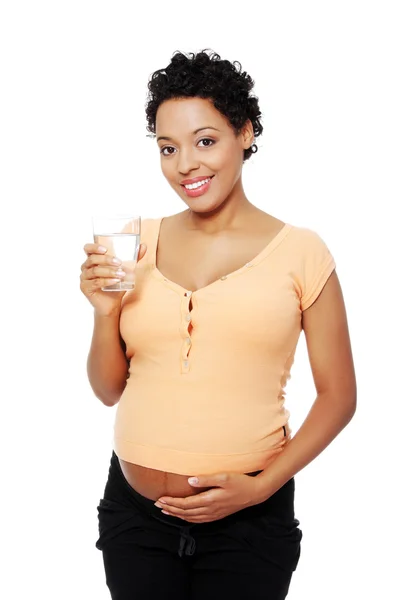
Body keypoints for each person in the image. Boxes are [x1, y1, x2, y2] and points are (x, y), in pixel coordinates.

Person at [80, 49, 357, 600]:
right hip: (135, 521)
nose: (186, 164)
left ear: (246, 134)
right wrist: (105, 313)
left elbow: (339, 397)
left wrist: (261, 489)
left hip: (250, 528)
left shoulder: (301, 252)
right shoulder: (136, 240)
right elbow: (108, 389)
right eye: (168, 148)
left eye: (205, 141)